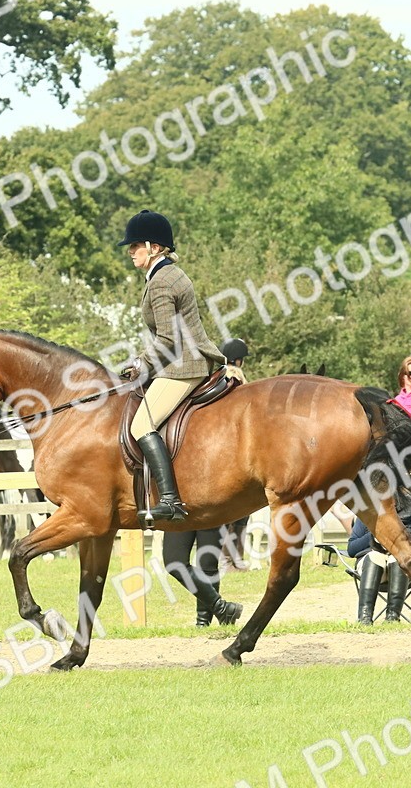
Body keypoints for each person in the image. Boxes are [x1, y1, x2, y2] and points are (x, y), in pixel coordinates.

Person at [117, 210, 226, 521]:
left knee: (141, 425)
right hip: (182, 361)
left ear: (154, 247)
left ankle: (171, 500)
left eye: (135, 245)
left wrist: (141, 362)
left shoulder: (163, 282)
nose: (130, 251)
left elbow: (167, 340)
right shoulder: (165, 275)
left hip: (183, 366)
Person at [347, 492, 411, 624]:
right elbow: (352, 549)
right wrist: (374, 536)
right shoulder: (367, 511)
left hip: (407, 570)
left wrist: (403, 540)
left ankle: (392, 617)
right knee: (374, 556)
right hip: (372, 564)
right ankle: (364, 619)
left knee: (399, 559)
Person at [162, 529, 242, 627]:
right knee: (174, 564)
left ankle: (203, 623)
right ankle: (222, 609)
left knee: (208, 566)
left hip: (213, 514)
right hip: (177, 515)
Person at [219, 338, 251, 571]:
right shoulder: (233, 374)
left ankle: (232, 558)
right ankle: (230, 558)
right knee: (238, 513)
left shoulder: (222, 373)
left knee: (238, 514)